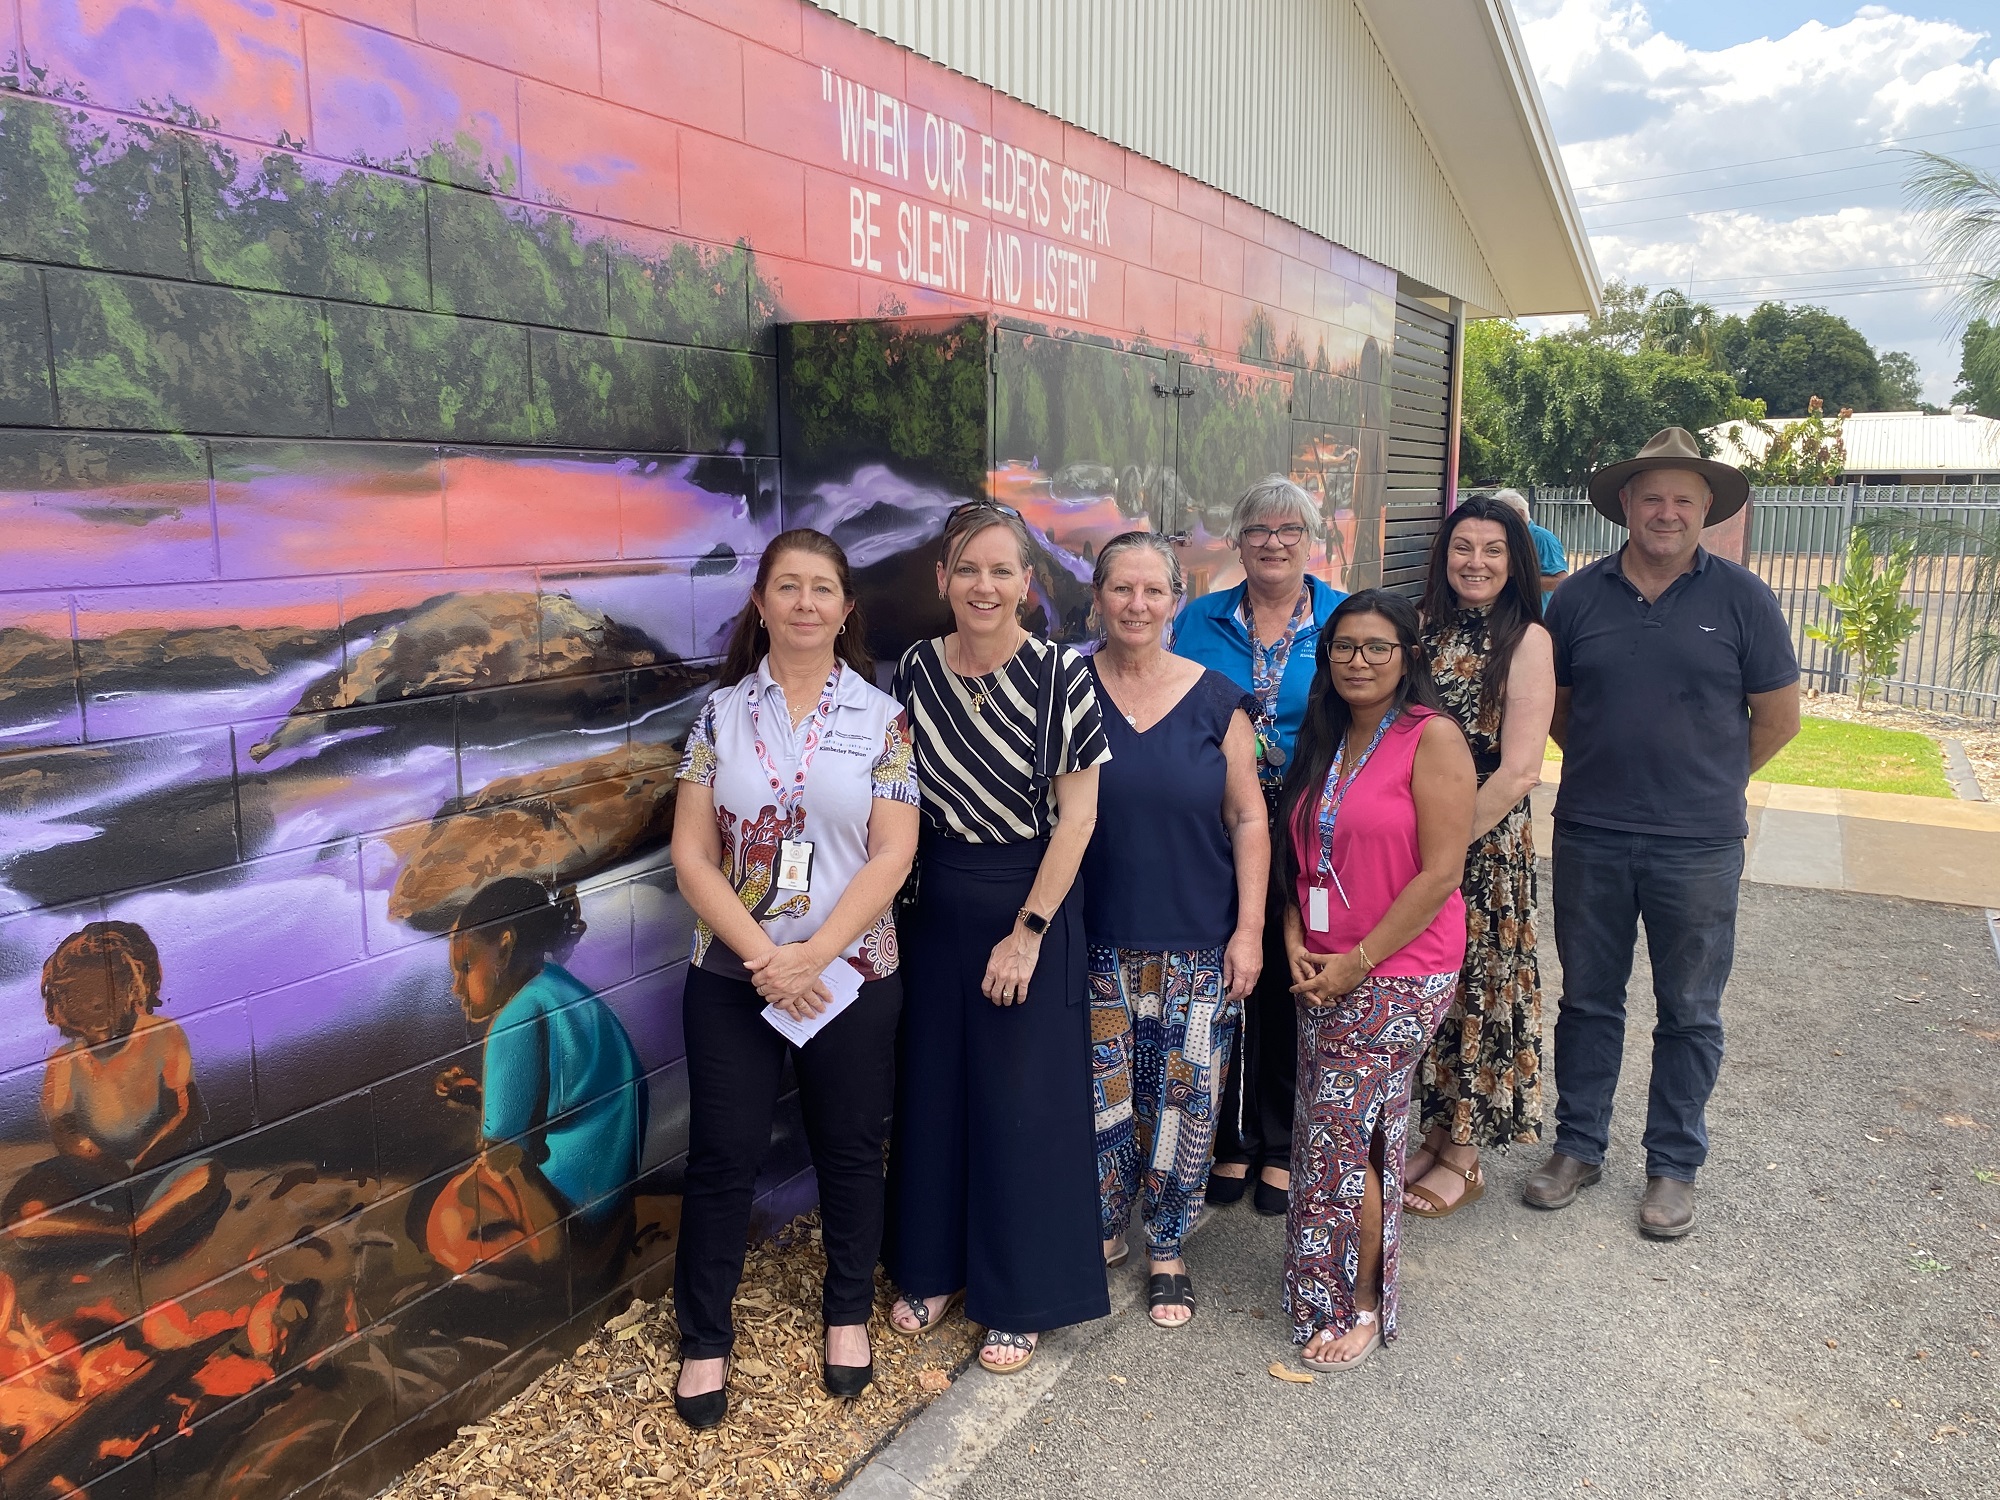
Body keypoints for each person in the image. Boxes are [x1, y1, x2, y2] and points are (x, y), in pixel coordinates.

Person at [668, 528, 919, 1428]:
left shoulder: (881, 718)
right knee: (723, 1156)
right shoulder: (720, 716)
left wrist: (814, 957)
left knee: (849, 1148)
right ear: (761, 603)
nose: (805, 603)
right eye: (788, 586)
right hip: (734, 974)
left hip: (851, 974)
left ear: (846, 609)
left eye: (822, 588)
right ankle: (704, 1337)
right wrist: (767, 961)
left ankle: (847, 1313)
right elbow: (691, 854)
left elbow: (894, 851)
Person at [1527, 428, 1799, 1239]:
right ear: (1626, 504)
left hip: (1699, 845)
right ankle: (1578, 1147)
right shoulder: (1578, 599)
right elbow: (1560, 710)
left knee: (1690, 1010)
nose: (1667, 512)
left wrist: (1708, 781)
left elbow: (1778, 718)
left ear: (1707, 508)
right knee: (1587, 1000)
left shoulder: (1744, 599)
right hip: (1593, 832)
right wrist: (1613, 765)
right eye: (1653, 497)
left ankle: (1673, 1165)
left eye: (1684, 499)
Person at [886, 501, 1111, 1375]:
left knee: (1023, 1101)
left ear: (1028, 582)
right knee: (935, 1088)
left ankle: (1020, 1296)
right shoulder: (915, 668)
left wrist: (1028, 933)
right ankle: (933, 1267)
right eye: (968, 570)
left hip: (1031, 898)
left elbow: (1078, 819)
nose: (984, 586)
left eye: (1001, 570)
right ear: (943, 579)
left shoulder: (1061, 676)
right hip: (934, 898)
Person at [1278, 589, 1474, 1371]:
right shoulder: (1326, 736)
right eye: (1344, 647)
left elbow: (1441, 873)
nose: (1358, 661)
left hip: (1399, 972)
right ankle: (1325, 1287)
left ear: (1408, 656)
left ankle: (1356, 1303)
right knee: (1336, 1131)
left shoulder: (1432, 738)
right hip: (1322, 966)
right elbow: (1301, 860)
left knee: (1344, 1138)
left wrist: (1356, 963)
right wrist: (1295, 937)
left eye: (1377, 647)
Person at [1080, 532, 1269, 1329]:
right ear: (1098, 598)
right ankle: (1100, 1231)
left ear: (1174, 601)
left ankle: (1166, 1245)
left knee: (1185, 1103)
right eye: (1121, 589)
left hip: (1195, 939)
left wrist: (1249, 930)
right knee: (1100, 1100)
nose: (1137, 605)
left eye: (1153, 590)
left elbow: (1248, 816)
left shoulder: (1218, 699)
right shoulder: (1067, 688)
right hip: (1092, 938)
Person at [1171, 475, 1346, 1216]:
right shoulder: (1198, 619)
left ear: (1311, 541)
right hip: (1217, 820)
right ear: (1237, 542)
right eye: (1258, 530)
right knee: (1222, 975)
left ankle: (1280, 1142)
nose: (1274, 543)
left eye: (1289, 531)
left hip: (1309, 822)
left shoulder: (1341, 617)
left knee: (1286, 977)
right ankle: (1228, 1139)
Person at [1402, 496, 1555, 1217]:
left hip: (1482, 846)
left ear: (1515, 561)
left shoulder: (1527, 640)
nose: (1476, 562)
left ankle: (1463, 1157)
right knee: (1429, 986)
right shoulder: (1419, 628)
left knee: (1478, 988)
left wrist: (1445, 842)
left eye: (1493, 550)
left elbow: (1519, 771)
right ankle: (1434, 1134)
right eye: (1463, 547)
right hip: (1415, 838)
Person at [429, 880, 645, 1281]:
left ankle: (546, 1251)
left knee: (447, 1219)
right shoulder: (560, 987)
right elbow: (561, 1097)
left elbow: (503, 1149)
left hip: (571, 1213)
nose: (456, 987)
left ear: (504, 948)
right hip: (610, 1193)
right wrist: (479, 1097)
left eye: (465, 967)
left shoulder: (515, 1019)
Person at [4, 921, 223, 1255]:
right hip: (94, 1176)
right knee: (25, 1208)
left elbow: (186, 1112)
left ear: (134, 987)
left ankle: (134, 1228)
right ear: (61, 1003)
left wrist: (143, 1164)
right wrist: (106, 1166)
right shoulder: (64, 1061)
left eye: (105, 992)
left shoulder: (163, 1035)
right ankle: (125, 1231)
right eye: (78, 996)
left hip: (156, 1167)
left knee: (206, 1175)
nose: (94, 1005)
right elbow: (67, 1134)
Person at [1494, 489, 1568, 600]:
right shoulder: (1506, 536)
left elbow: (1560, 581)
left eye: (1503, 515)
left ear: (1521, 513)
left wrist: (1513, 582)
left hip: (1535, 608)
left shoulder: (1542, 538)